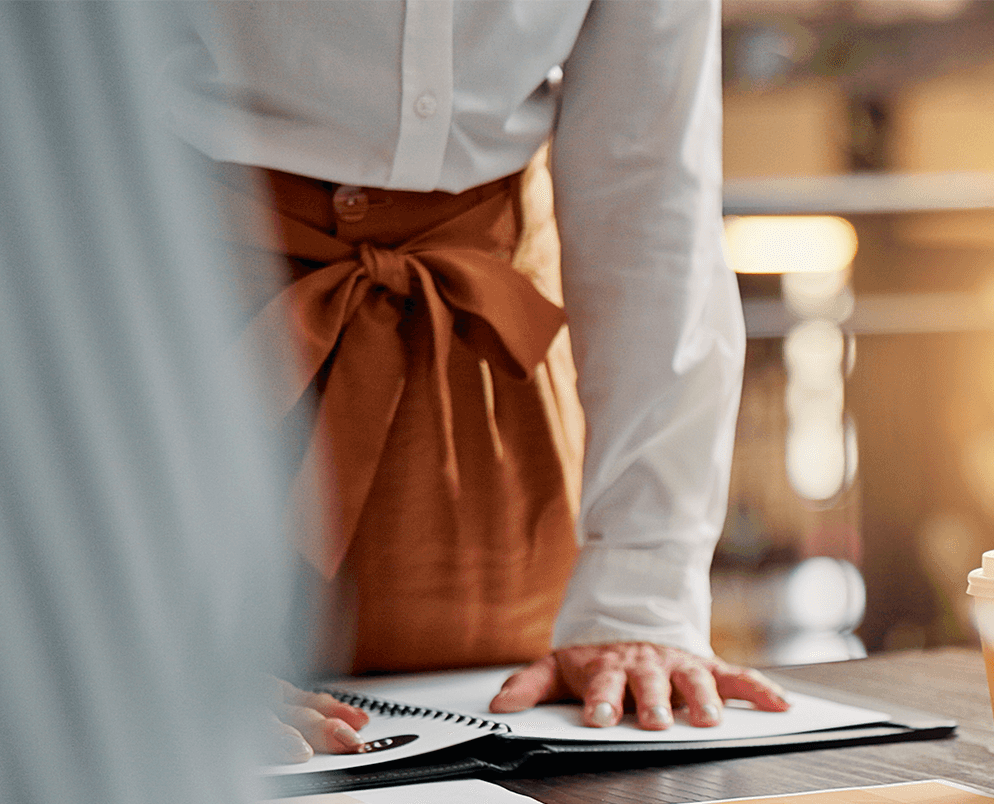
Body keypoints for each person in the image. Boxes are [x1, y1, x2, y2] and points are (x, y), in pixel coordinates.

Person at [160, 1, 788, 755]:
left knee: (510, 766)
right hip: (164, 340)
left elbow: (649, 189)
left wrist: (638, 601)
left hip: (483, 360)